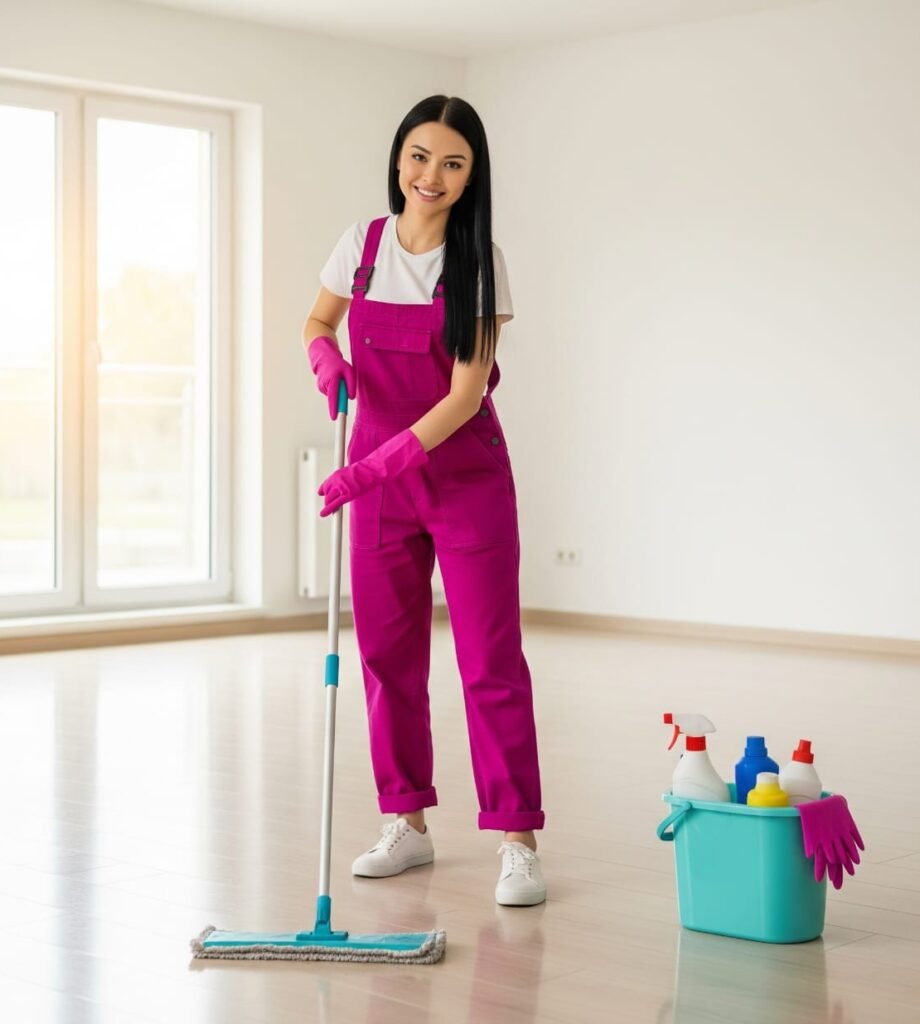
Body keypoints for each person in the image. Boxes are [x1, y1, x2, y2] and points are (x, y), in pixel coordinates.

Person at [302, 95, 546, 906]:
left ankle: (517, 837)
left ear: (472, 175)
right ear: (399, 157)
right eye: (419, 155)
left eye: (452, 163)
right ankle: (405, 821)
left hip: (464, 478)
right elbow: (317, 318)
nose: (430, 176)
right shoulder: (360, 245)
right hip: (380, 482)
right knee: (386, 659)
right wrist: (324, 361)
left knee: (490, 661)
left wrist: (377, 467)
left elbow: (468, 392)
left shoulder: (482, 261)